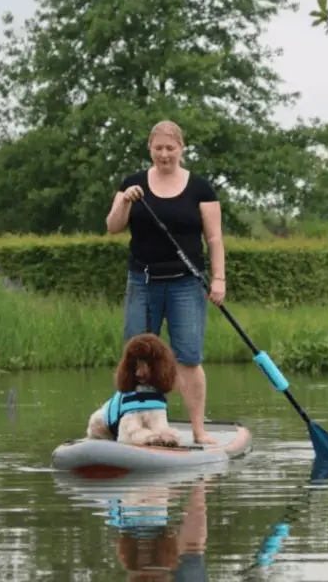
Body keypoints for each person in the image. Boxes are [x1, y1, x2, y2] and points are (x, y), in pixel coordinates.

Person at [105, 120, 226, 445]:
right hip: (142, 282)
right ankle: (132, 429)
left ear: (181, 149)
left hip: (186, 284)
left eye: (170, 148)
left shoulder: (200, 188)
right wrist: (125, 201)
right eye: (158, 148)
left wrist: (218, 279)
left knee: (189, 358)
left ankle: (198, 429)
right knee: (135, 357)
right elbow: (113, 226)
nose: (164, 154)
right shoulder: (133, 184)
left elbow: (214, 239)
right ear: (150, 149)